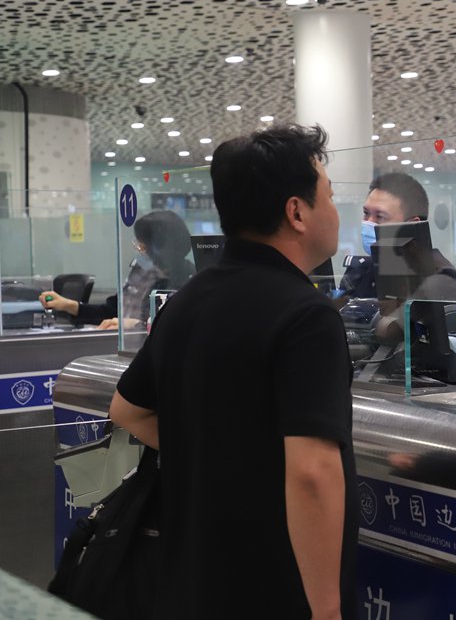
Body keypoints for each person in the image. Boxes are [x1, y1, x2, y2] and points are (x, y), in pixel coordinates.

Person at [109, 124, 357, 619]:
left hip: (192, 584)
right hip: (273, 589)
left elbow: (127, 410)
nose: (334, 210)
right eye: (329, 196)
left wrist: (216, 459)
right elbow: (311, 473)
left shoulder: (185, 302)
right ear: (297, 212)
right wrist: (326, 610)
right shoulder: (306, 317)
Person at [40, 210, 194, 329]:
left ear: (163, 248)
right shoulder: (140, 273)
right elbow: (112, 311)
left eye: (143, 246)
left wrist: (135, 325)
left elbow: (171, 327)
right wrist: (69, 305)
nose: (139, 250)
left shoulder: (187, 280)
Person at [340, 171, 456, 299]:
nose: (368, 222)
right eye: (366, 213)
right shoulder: (362, 269)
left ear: (411, 224)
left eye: (380, 216)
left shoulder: (439, 278)